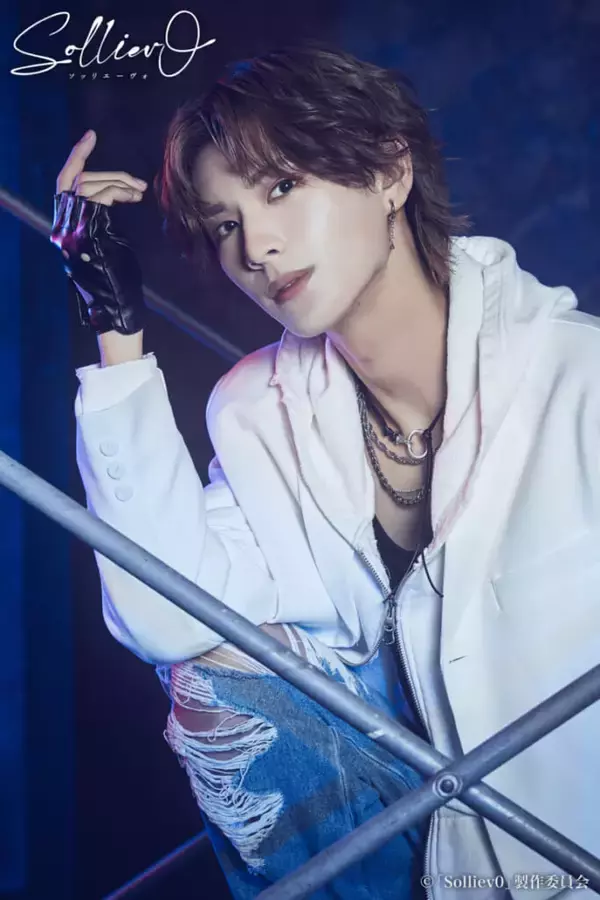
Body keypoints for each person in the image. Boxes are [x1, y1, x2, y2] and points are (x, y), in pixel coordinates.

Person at [50, 44, 599, 900]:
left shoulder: (580, 381)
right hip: (412, 831)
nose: (257, 246)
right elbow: (168, 619)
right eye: (224, 225)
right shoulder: (256, 410)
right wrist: (114, 323)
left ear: (390, 173)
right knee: (214, 665)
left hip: (567, 845)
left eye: (281, 187)